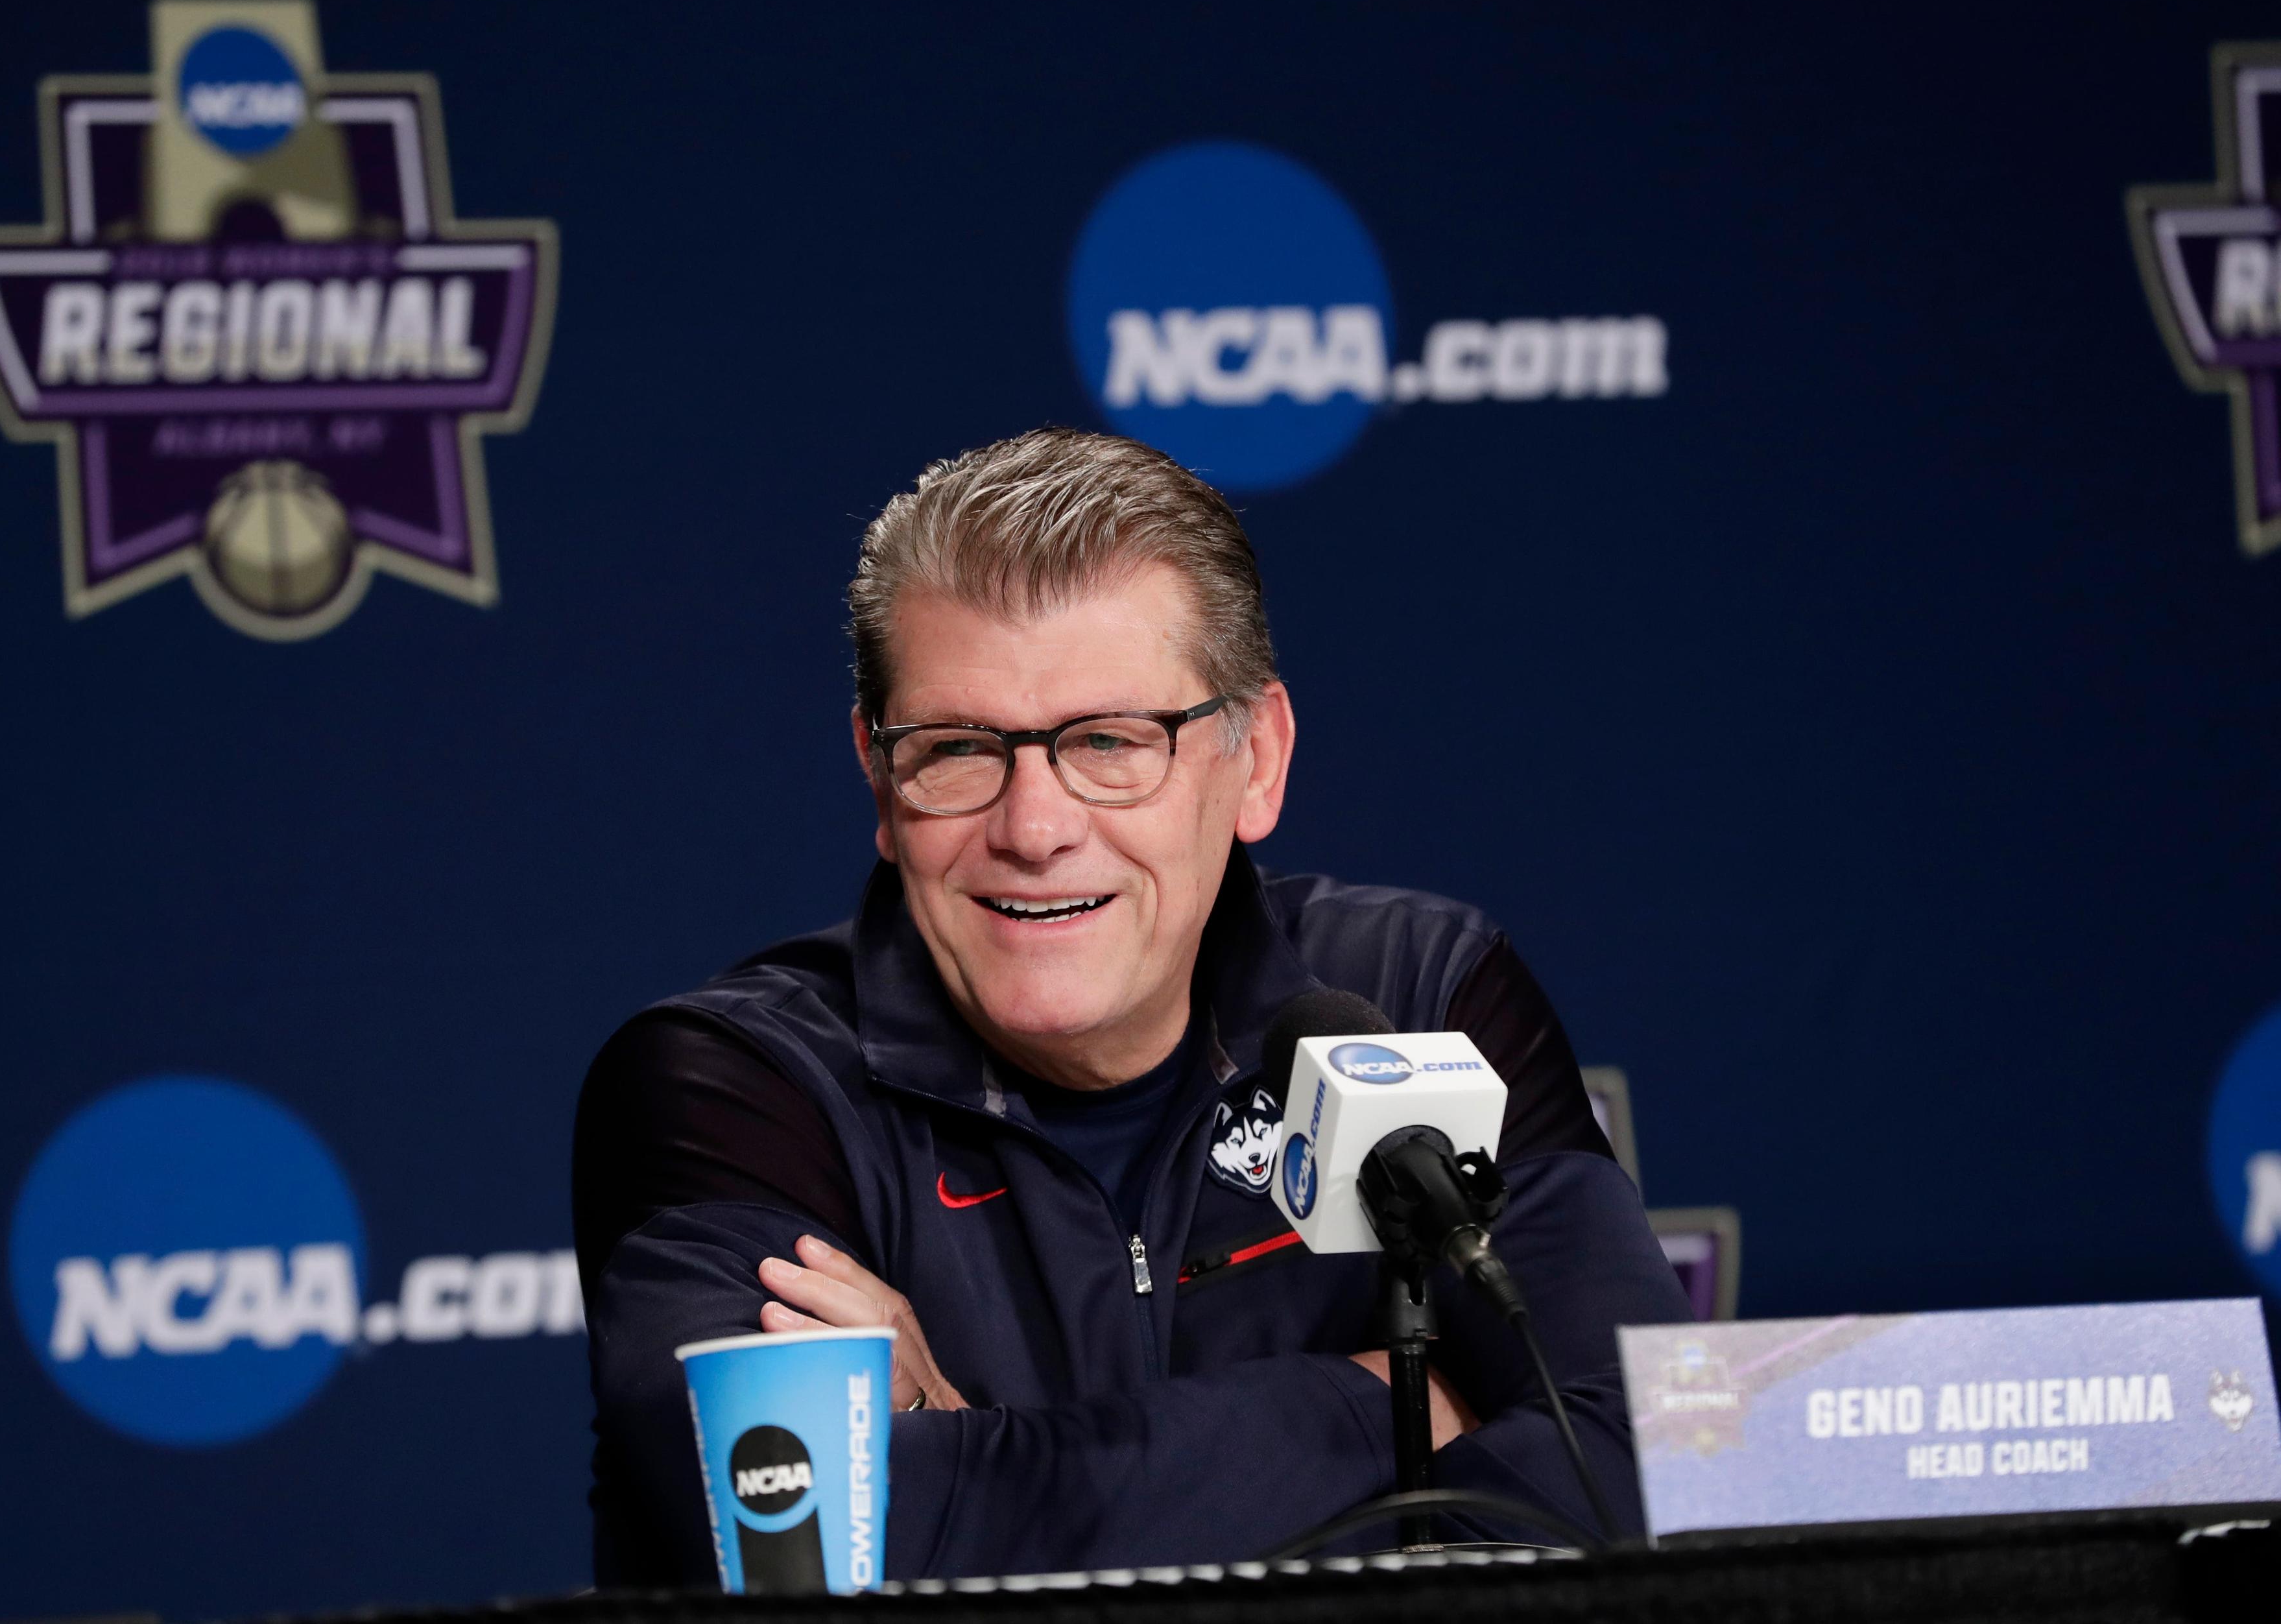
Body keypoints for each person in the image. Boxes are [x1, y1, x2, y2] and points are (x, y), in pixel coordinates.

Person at [571, 428, 1690, 1585]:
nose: (1036, 828)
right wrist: (1399, 1409)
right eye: (957, 748)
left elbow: (1647, 1461)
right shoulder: (733, 1087)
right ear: (878, 774)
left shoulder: (1420, 997)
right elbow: (798, 1544)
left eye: (1111, 742)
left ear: (1256, 760)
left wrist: (969, 1455)